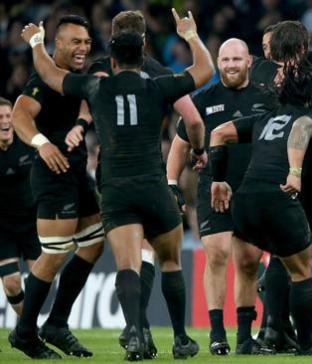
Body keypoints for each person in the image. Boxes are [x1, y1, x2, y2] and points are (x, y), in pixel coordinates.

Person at [20, 8, 213, 360]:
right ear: (142, 50)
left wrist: (36, 42)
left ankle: (135, 334)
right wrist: (190, 34)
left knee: (124, 263)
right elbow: (204, 73)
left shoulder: (96, 83)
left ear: (110, 53)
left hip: (115, 189)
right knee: (169, 262)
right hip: (153, 186)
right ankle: (182, 339)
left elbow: (49, 73)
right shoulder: (159, 83)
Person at [73, 10, 207, 358]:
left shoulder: (101, 70)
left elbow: (85, 106)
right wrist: (197, 150)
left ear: (112, 38)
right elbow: (192, 117)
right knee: (164, 254)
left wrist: (82, 125)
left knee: (132, 255)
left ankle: (138, 329)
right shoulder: (157, 73)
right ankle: (176, 337)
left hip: (113, 176)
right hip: (151, 174)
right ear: (144, 38)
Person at [209, 20, 312, 355]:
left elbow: (219, 133)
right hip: (278, 197)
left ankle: (248, 338)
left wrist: (219, 179)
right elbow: (301, 130)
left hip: (244, 200)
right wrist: (296, 171)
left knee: (260, 264)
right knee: (300, 268)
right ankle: (304, 344)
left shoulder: (265, 118)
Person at [166, 37, 276, 355]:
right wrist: (172, 182)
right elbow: (180, 144)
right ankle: (217, 334)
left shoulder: (268, 98)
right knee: (216, 255)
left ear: (249, 62)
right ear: (218, 62)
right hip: (213, 189)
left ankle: (244, 338)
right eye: (225, 60)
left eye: (236, 60)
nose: (230, 66)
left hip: (254, 191)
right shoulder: (203, 99)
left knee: (249, 262)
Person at [10, 15, 102, 359]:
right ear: (58, 44)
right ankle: (25, 333)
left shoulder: (77, 77)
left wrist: (80, 123)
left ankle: (57, 324)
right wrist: (42, 144)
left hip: (78, 173)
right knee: (55, 253)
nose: (83, 48)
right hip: (53, 174)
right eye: (75, 41)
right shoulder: (42, 80)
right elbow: (20, 114)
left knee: (94, 243)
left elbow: (81, 102)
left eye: (87, 41)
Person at [0, 97, 41, 317]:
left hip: (31, 223)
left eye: (8, 116)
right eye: (0, 117)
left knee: (41, 280)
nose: (5, 121)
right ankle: (28, 327)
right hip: (3, 229)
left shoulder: (27, 142)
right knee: (13, 283)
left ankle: (27, 328)